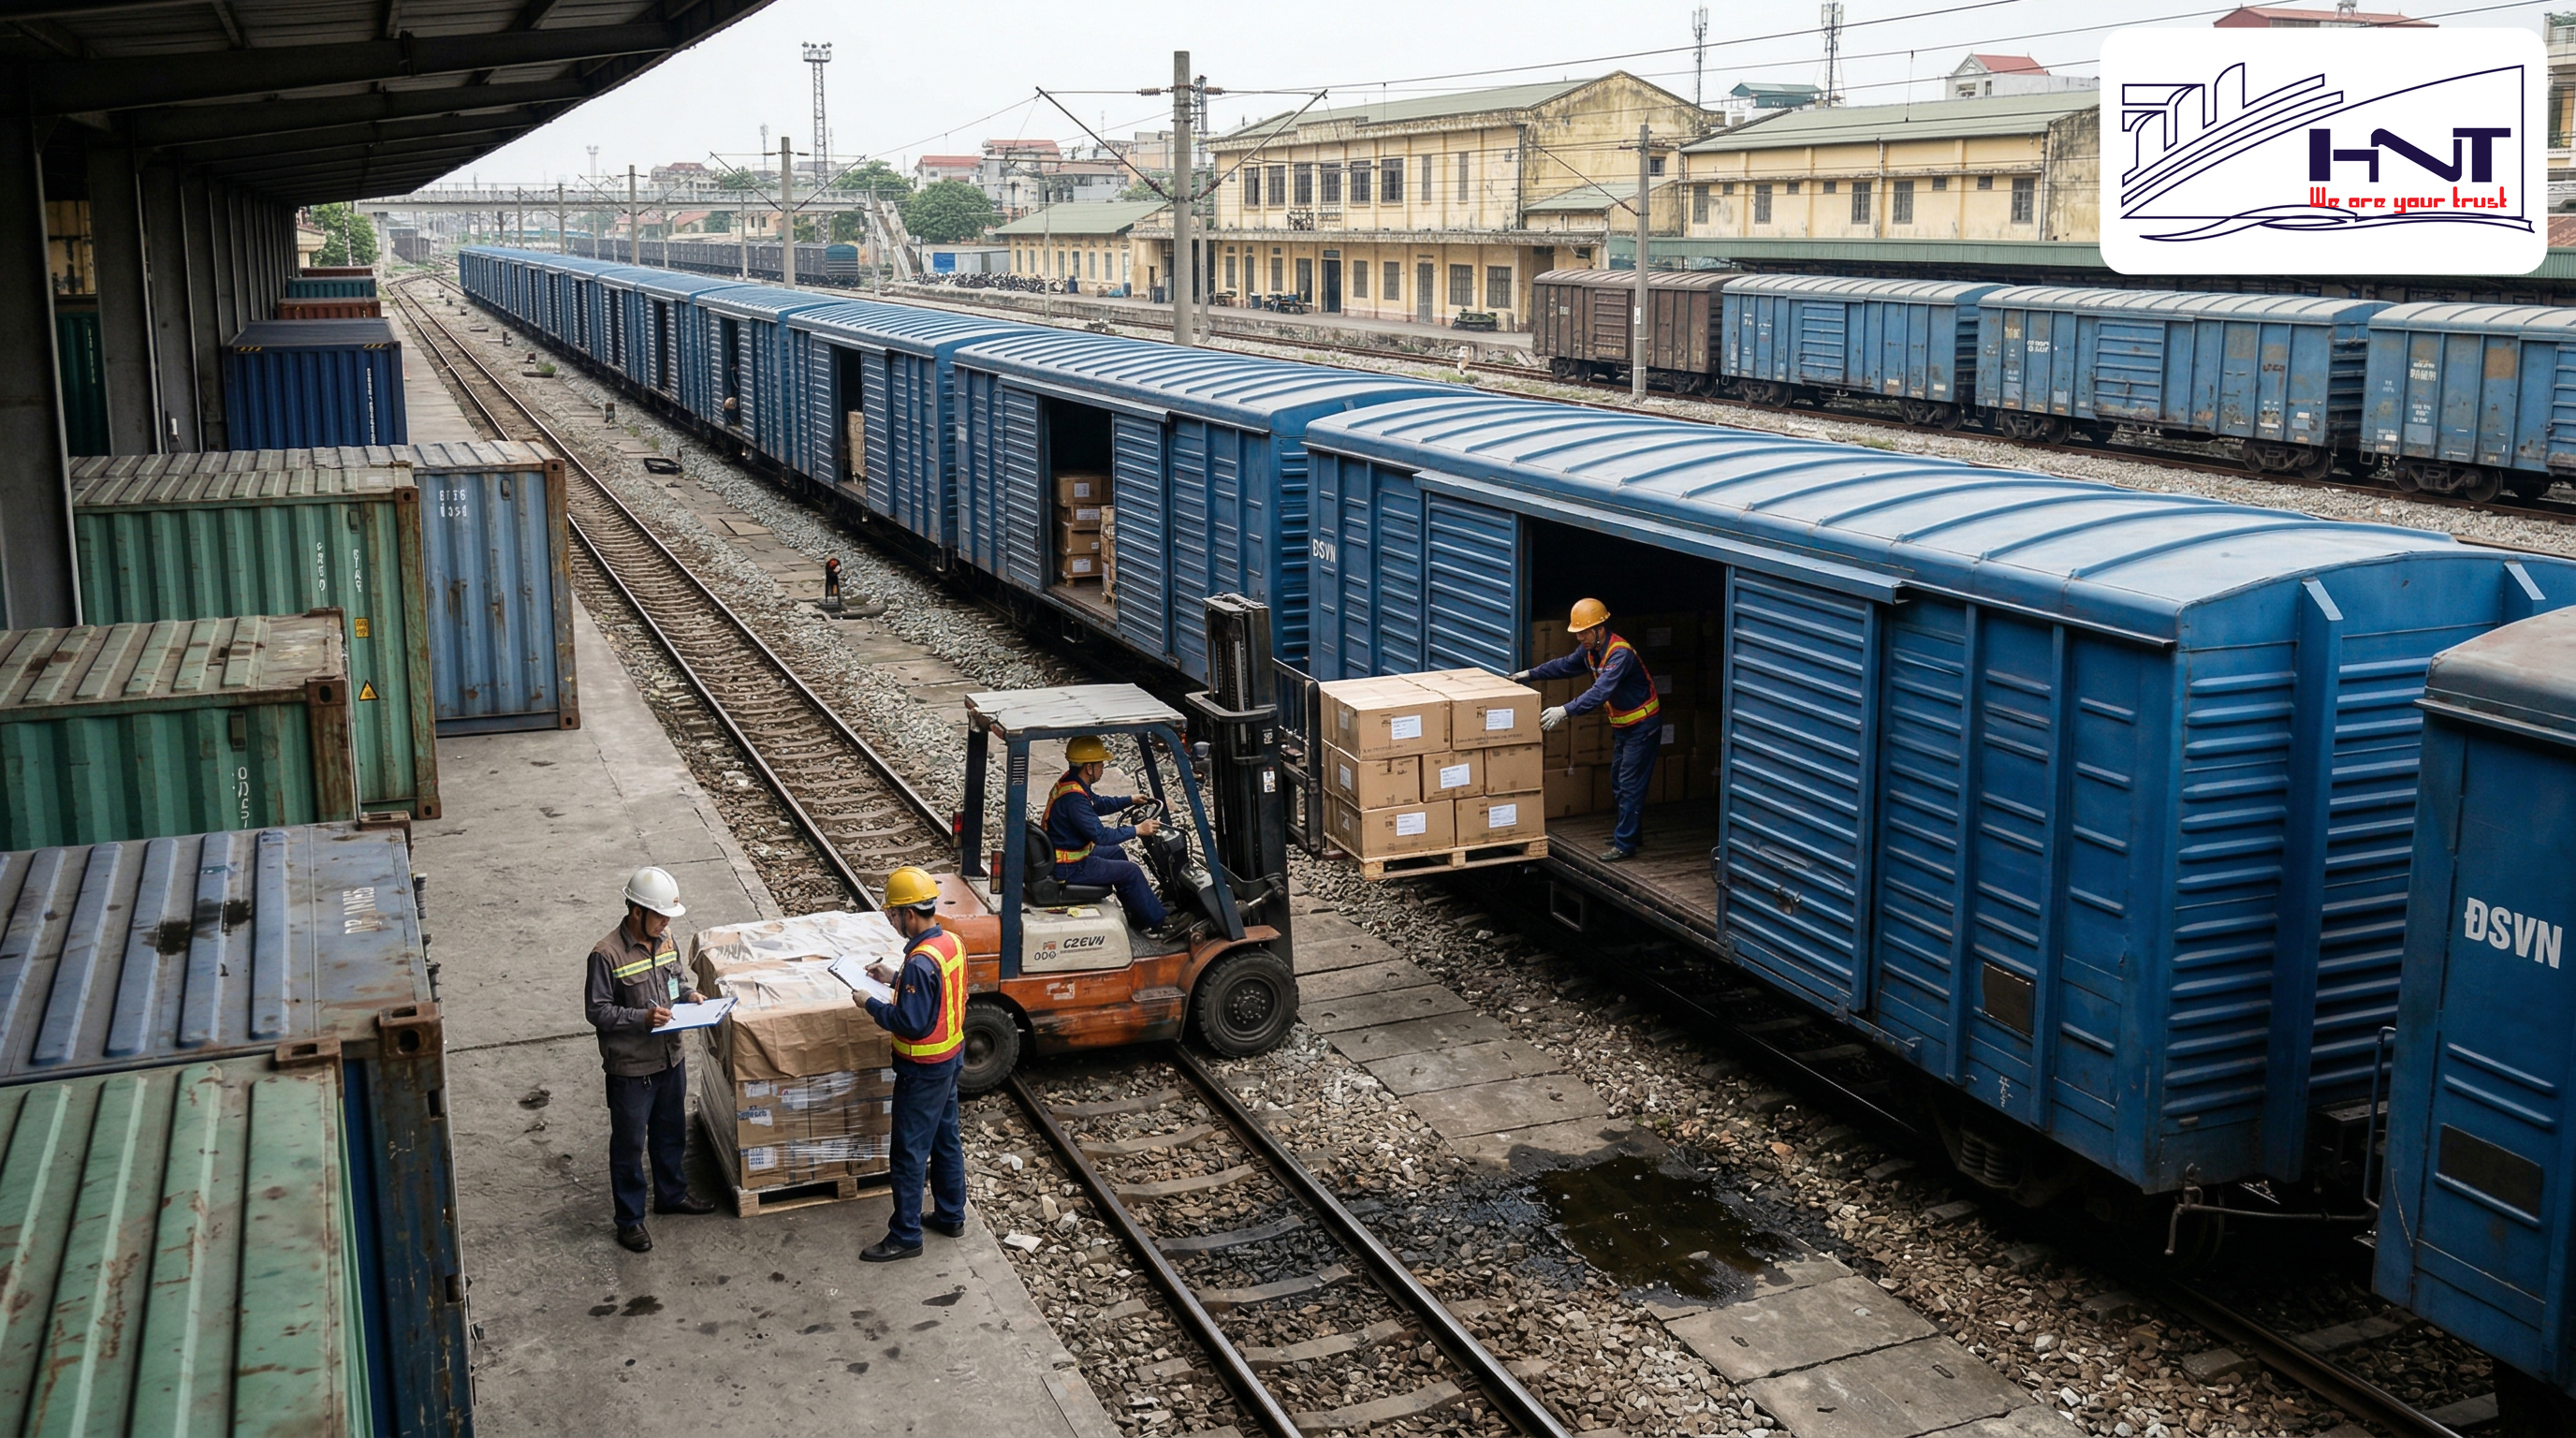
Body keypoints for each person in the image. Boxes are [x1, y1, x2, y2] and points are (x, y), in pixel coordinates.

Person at [585, 865, 717, 1254]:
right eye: (659, 916)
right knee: (628, 1146)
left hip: (670, 1058)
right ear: (636, 911)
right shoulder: (605, 954)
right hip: (631, 1070)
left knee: (670, 1132)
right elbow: (598, 1011)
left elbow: (674, 981)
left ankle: (671, 1195)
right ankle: (629, 1221)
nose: (664, 923)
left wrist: (688, 996)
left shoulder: (667, 939)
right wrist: (642, 1018)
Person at [857, 866, 969, 1262]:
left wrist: (869, 1003)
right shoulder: (950, 943)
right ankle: (951, 1215)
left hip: (922, 1072)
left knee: (907, 1153)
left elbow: (910, 1021)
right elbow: (935, 996)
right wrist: (894, 978)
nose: (893, 922)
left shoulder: (920, 962)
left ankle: (905, 1235)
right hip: (951, 1059)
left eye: (893, 915)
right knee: (945, 1140)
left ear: (909, 914)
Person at [1516, 598, 1661, 863]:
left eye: (1584, 632)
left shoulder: (1620, 654)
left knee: (1629, 784)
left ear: (1600, 628)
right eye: (1578, 632)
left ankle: (1625, 844)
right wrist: (1528, 674)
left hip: (1642, 727)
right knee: (1618, 781)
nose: (1580, 637)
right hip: (1624, 727)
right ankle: (1630, 835)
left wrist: (1565, 710)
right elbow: (1563, 665)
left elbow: (1600, 692)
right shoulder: (1591, 651)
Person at [1045, 735, 1171, 934]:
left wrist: (1129, 800)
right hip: (1070, 867)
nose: (1103, 768)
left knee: (1117, 853)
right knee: (1131, 872)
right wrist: (1138, 830)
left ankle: (1137, 916)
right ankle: (1160, 924)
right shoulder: (1075, 800)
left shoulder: (1070, 782)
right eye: (1101, 764)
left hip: (1068, 856)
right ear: (1089, 768)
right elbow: (1101, 836)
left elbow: (1099, 803)